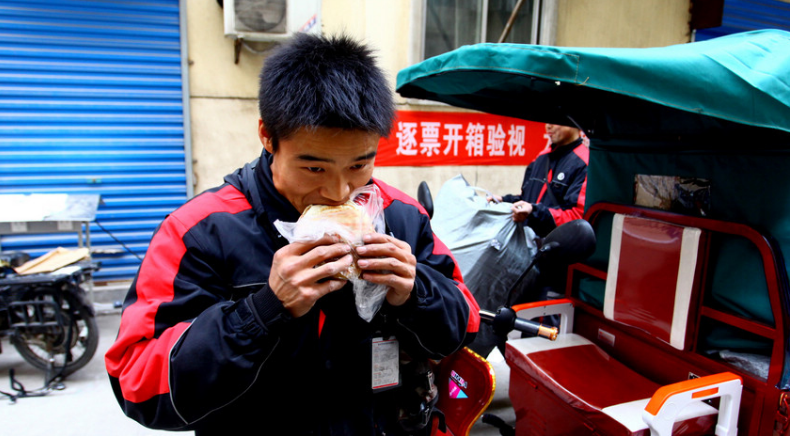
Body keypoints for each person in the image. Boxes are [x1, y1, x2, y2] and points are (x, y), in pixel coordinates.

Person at [105, 33, 480, 436]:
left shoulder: (402, 216)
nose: (339, 192)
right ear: (268, 136)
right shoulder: (200, 231)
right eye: (314, 168)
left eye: (359, 165)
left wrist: (415, 292)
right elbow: (136, 383)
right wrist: (262, 311)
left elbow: (468, 327)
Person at [491, 122, 589, 303]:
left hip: (557, 266)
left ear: (576, 124)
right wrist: (503, 200)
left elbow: (576, 217)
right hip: (526, 259)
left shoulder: (584, 163)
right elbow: (527, 198)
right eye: (547, 121)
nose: (548, 127)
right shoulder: (541, 158)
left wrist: (534, 212)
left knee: (545, 321)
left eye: (555, 121)